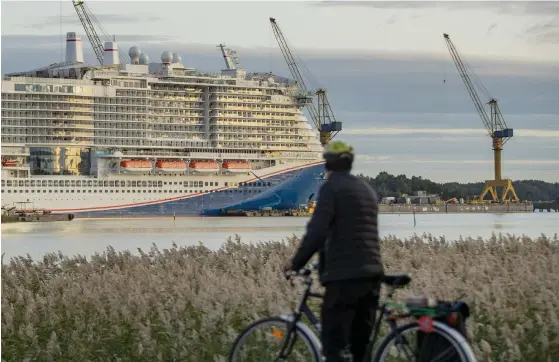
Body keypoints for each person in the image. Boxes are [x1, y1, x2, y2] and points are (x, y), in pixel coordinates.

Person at [283, 140, 384, 362]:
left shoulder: (331, 187)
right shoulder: (366, 189)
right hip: (372, 274)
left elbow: (317, 231)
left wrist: (296, 263)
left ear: (328, 163)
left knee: (333, 347)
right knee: (361, 349)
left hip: (345, 278)